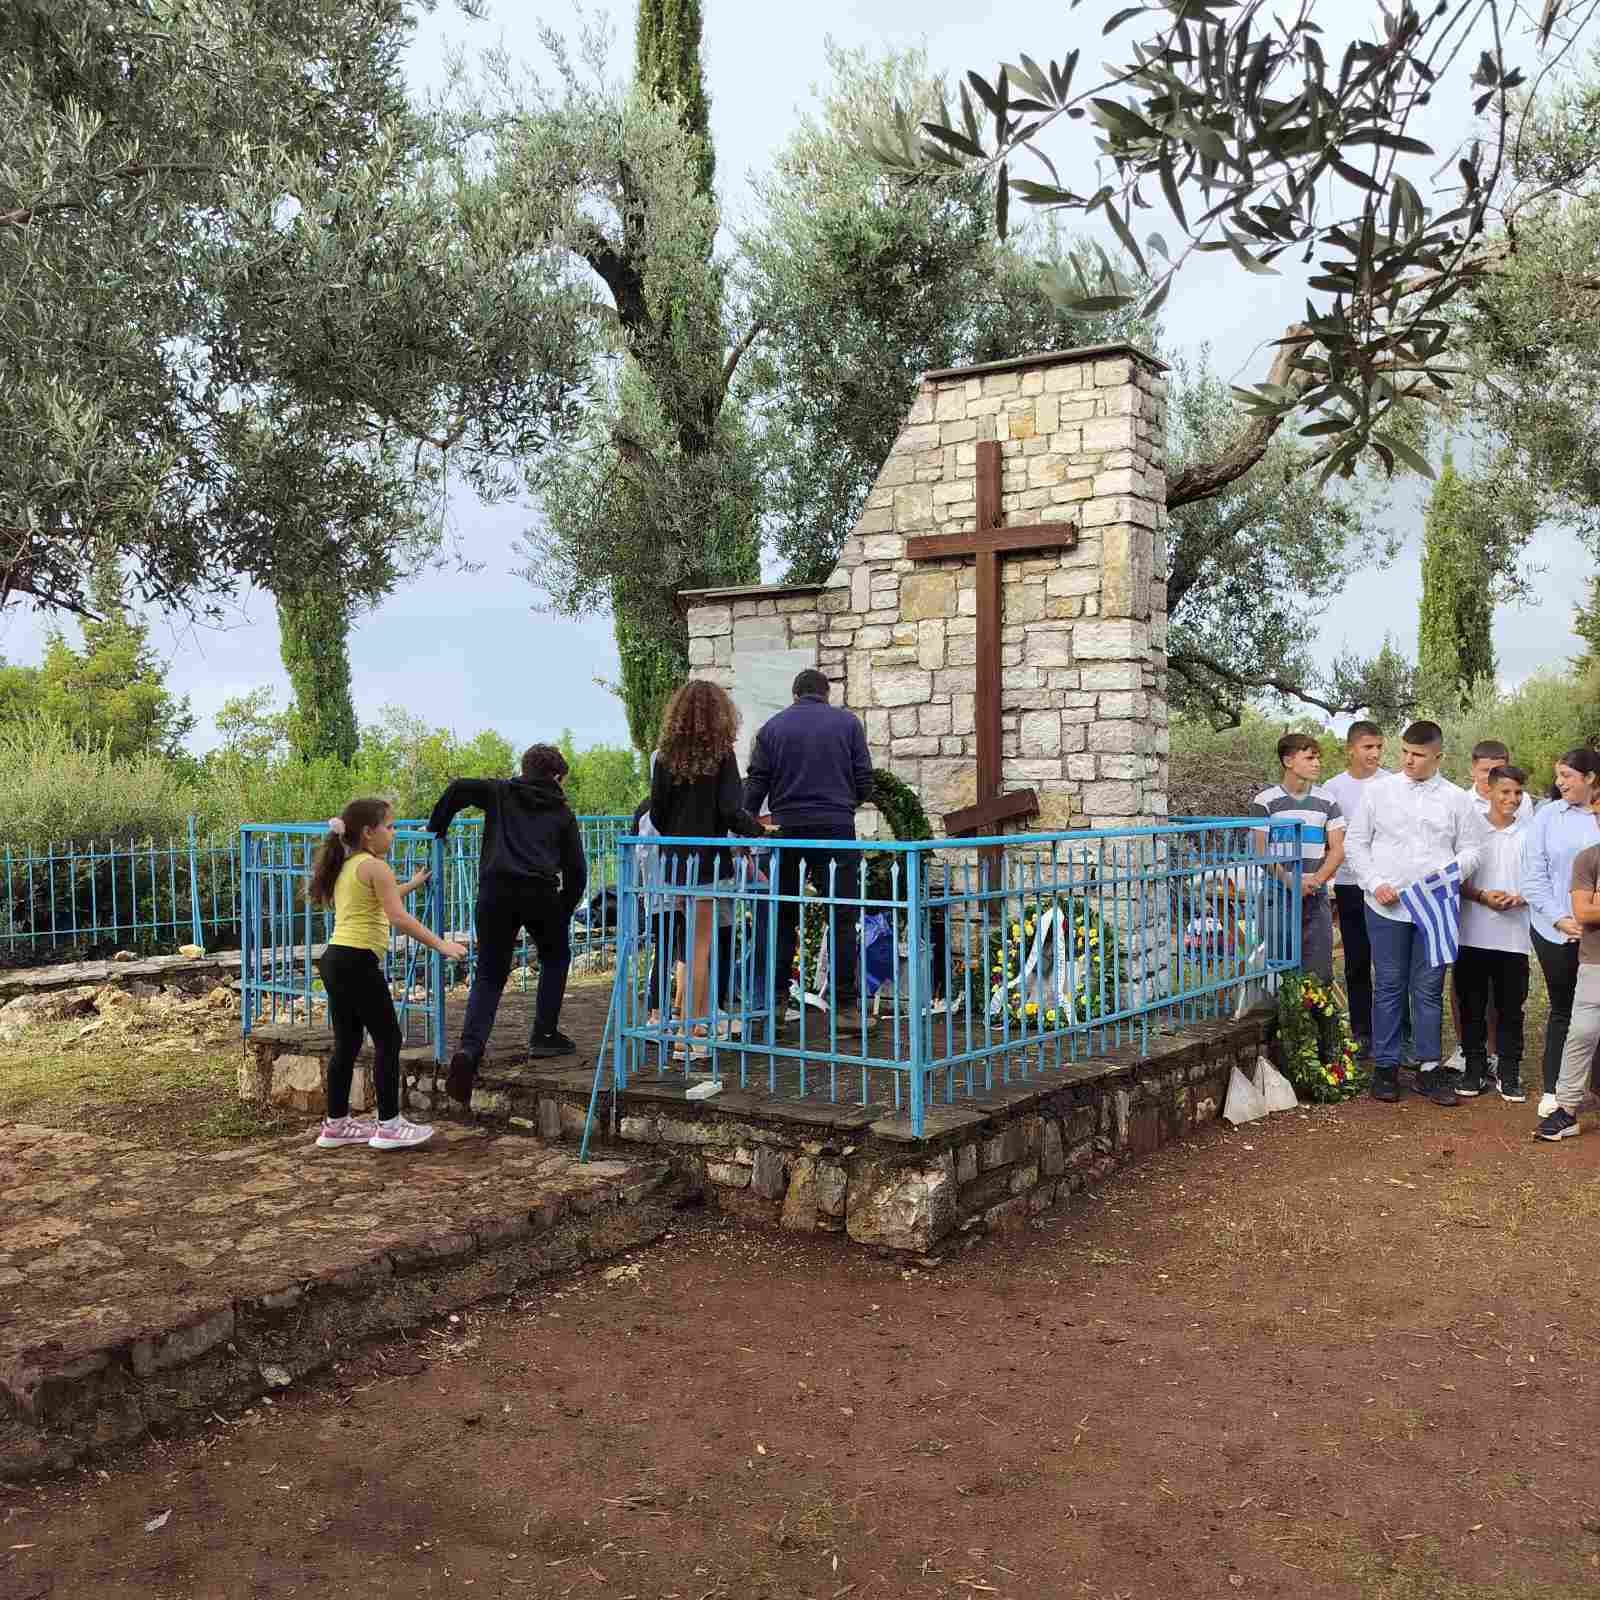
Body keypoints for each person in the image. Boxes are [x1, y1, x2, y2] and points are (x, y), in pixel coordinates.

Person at [428, 745, 588, 1108]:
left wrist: (438, 827)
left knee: (489, 974)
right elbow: (577, 871)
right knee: (555, 958)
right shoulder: (562, 812)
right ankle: (544, 1035)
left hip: (495, 892)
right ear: (556, 776)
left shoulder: (499, 792)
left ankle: (469, 1049)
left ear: (524, 768)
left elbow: (458, 788)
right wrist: (563, 909)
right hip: (540, 893)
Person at [306, 798, 468, 1151]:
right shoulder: (376, 867)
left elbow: (381, 899)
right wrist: (441, 945)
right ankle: (389, 1125)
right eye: (390, 826)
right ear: (369, 832)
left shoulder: (349, 865)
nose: (394, 833)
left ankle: (335, 1125)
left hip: (335, 960)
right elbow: (397, 917)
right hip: (357, 962)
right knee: (388, 1040)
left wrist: (411, 884)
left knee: (347, 1043)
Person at [1345, 719, 1488, 1108]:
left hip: (1434, 909)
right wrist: (1375, 882)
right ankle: (1386, 1068)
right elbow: (1356, 843)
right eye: (1405, 752)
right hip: (1386, 907)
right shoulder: (1378, 792)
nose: (1409, 760)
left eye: (1419, 755)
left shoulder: (1456, 799)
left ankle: (1427, 1069)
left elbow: (1473, 850)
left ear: (1438, 757)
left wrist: (1447, 877)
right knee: (1389, 985)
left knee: (1427, 989)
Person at [744, 668, 874, 1030]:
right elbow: (865, 782)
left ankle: (775, 1005)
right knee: (842, 916)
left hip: (788, 831)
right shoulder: (848, 725)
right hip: (836, 829)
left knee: (781, 916)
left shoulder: (772, 729)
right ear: (826, 694)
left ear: (795, 694)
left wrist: (745, 823)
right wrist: (843, 804)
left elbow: (757, 782)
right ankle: (846, 1008)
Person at [649, 680, 765, 1059]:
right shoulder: (721, 755)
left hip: (676, 862)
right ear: (720, 713)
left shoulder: (665, 756)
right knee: (700, 950)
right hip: (710, 863)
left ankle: (693, 1025)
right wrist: (758, 830)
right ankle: (689, 1038)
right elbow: (731, 810)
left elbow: (658, 814)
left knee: (690, 947)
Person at [1444, 739, 1535, 1074]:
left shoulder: (1526, 814)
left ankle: (1499, 1056)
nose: (1511, 797)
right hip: (1472, 921)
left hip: (1512, 927)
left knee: (1507, 996)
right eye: (1487, 772)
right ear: (1475, 771)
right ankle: (1468, 1052)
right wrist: (1482, 896)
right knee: (1467, 991)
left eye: (1516, 792)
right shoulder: (1461, 806)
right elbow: (1456, 869)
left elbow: (1532, 866)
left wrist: (1521, 896)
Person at [1322, 721, 1410, 1055]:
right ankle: (1362, 1031)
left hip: (1387, 886)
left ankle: (1401, 1032)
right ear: (1351, 749)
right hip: (1350, 884)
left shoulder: (1393, 783)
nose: (1375, 753)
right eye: (1367, 747)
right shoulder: (1333, 788)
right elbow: (1330, 838)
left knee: (1393, 963)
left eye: (1379, 747)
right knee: (1357, 961)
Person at [1521, 749, 1600, 1118]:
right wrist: (1559, 918)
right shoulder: (1548, 815)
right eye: (1558, 775)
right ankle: (1555, 1089)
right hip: (1554, 930)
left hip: (1596, 929)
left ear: (1590, 777)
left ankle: (1593, 1089)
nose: (1559, 783)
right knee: (1564, 1009)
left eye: (1567, 775)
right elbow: (1532, 876)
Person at [1248, 733, 1346, 983]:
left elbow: (1338, 848)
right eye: (1310, 758)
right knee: (1278, 973)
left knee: (1319, 974)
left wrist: (1316, 881)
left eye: (1318, 758)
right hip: (1277, 894)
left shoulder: (1327, 801)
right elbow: (1261, 851)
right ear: (1288, 761)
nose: (1317, 764)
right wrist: (1290, 882)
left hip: (1315, 895)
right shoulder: (1265, 802)